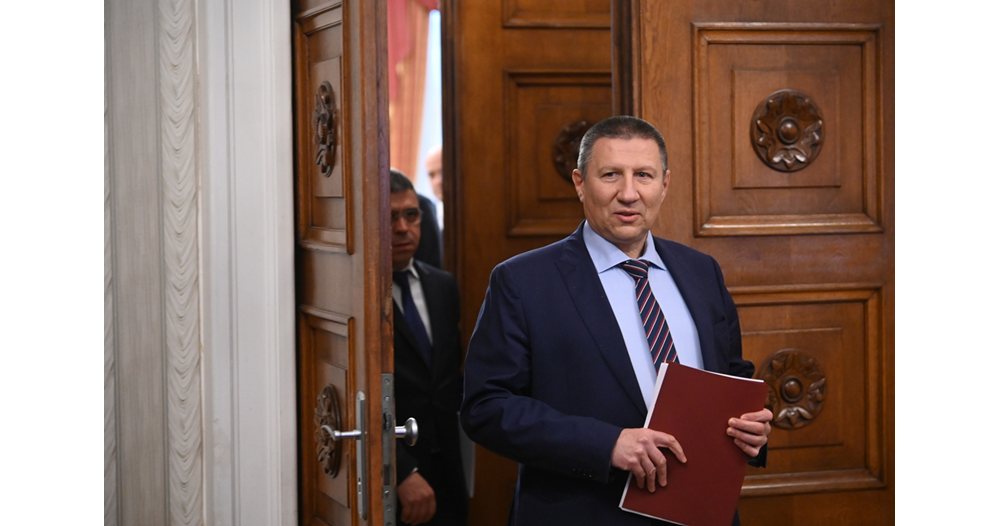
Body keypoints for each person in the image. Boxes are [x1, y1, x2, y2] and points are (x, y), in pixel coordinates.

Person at [459, 116, 772, 525]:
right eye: (610, 175)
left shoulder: (702, 272)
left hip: (702, 510)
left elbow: (732, 376)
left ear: (664, 184)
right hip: (584, 511)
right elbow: (486, 408)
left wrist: (753, 428)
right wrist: (607, 445)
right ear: (579, 183)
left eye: (644, 175)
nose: (628, 193)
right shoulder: (522, 282)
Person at [389, 169, 468, 526]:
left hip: (447, 465)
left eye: (411, 215)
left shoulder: (442, 286)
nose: (402, 228)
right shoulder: (356, 293)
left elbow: (448, 377)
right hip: (391, 471)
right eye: (390, 217)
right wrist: (400, 469)